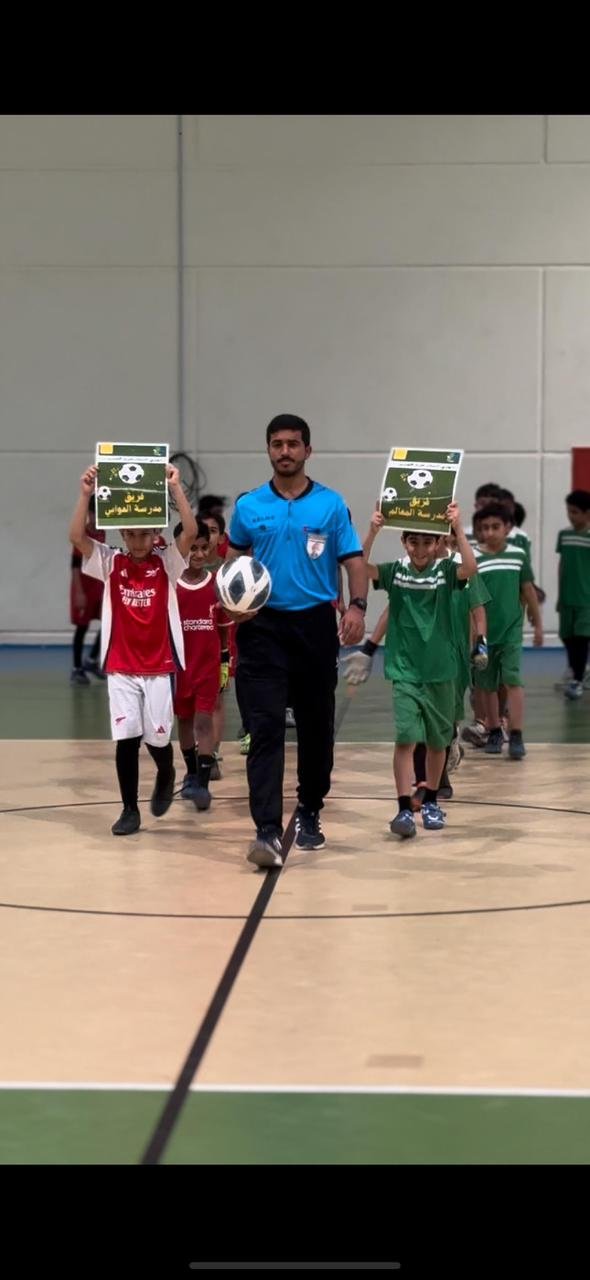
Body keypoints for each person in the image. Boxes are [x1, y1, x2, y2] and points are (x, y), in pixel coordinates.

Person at [226, 413, 367, 868]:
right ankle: (266, 830)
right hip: (262, 628)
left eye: (292, 444)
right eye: (277, 444)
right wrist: (232, 602)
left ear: (308, 449)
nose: (284, 451)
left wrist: (357, 607)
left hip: (314, 628)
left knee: (315, 727)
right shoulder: (249, 506)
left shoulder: (330, 504)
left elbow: (354, 561)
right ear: (268, 449)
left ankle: (309, 808)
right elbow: (232, 562)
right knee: (265, 727)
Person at [69, 463, 197, 836]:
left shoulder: (167, 563)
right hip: (122, 667)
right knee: (126, 739)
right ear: (122, 533)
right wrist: (85, 494)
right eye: (132, 534)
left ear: (156, 533)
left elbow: (190, 531)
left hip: (159, 667)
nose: (138, 542)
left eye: (145, 534)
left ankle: (166, 770)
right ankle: (129, 809)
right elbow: (76, 536)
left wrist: (175, 488)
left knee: (157, 740)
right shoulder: (110, 562)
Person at [356, 504, 477, 838]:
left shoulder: (445, 572)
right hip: (405, 671)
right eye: (413, 542)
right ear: (404, 542)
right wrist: (373, 531)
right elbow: (360, 567)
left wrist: (458, 528)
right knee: (406, 738)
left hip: (441, 671)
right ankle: (403, 808)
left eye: (427, 542)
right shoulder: (396, 571)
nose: (420, 549)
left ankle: (432, 801)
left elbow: (471, 567)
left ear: (437, 543)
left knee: (438, 743)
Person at [472, 501, 543, 756]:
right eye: (485, 528)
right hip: (483, 633)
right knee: (487, 684)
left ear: (508, 527)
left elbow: (528, 590)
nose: (490, 532)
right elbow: (470, 599)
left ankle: (516, 734)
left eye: (495, 527)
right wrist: (472, 635)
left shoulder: (517, 555)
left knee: (512, 680)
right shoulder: (473, 558)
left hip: (511, 630)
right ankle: (494, 730)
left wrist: (538, 624)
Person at [173, 518, 231, 809]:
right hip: (180, 668)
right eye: (192, 548)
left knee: (204, 721)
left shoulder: (216, 584)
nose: (197, 554)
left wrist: (224, 661)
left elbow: (223, 630)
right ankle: (192, 773)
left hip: (208, 667)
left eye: (203, 548)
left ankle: (204, 785)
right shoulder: (171, 585)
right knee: (184, 721)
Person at [556, 489, 590, 699]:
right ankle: (577, 671)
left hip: (586, 599)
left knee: (581, 638)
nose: (571, 516)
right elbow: (562, 564)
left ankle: (577, 680)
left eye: (575, 512)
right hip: (567, 597)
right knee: (567, 636)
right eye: (569, 511)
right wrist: (560, 594)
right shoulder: (565, 535)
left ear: (587, 513)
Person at [69, 495, 106, 685]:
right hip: (83, 586)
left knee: (108, 622)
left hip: (99, 585)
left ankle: (91, 660)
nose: (97, 518)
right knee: (82, 628)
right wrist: (79, 592)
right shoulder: (82, 534)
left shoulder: (102, 532)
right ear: (89, 513)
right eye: (94, 513)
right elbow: (75, 565)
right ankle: (77, 668)